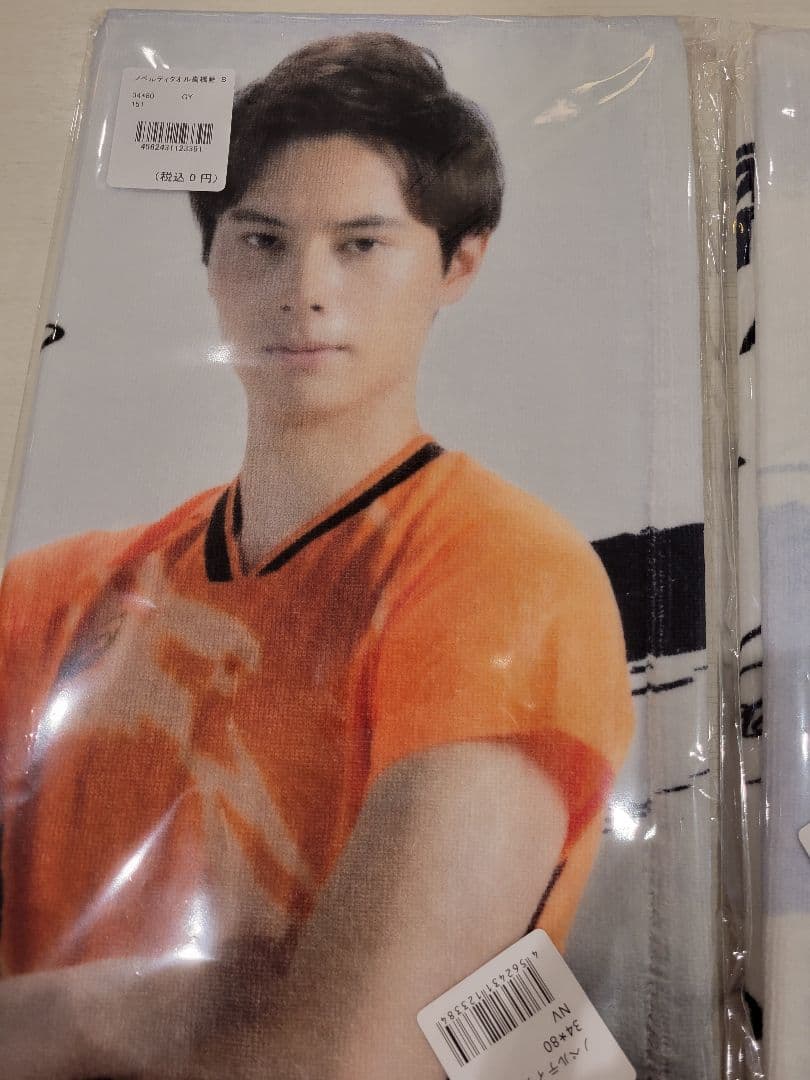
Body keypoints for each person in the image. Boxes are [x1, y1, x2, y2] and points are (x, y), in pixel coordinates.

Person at [0, 31, 634, 1079]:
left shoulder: (507, 573)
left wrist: (65, 1023)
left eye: (361, 244)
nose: (303, 289)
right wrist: (127, 1010)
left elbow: (352, 1060)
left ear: (458, 262)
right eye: (261, 240)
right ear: (211, 263)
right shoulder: (46, 600)